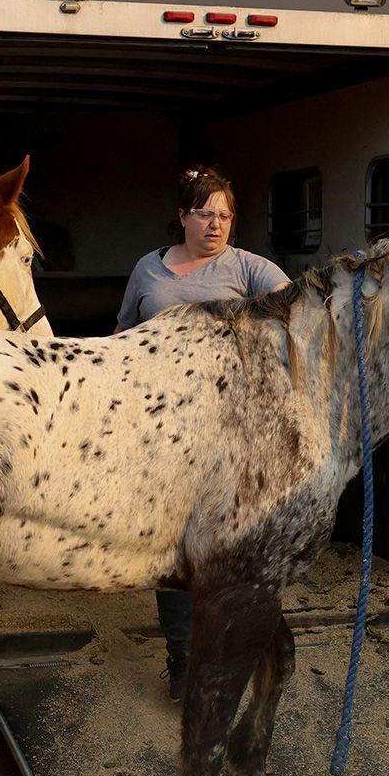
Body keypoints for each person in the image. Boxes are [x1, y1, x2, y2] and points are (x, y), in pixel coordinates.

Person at [114, 165, 288, 700]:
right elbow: (122, 334)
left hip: (228, 430)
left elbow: (299, 308)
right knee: (172, 548)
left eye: (225, 215)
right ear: (182, 217)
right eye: (205, 213)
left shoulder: (249, 268)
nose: (216, 224)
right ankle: (182, 657)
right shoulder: (149, 269)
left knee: (227, 545)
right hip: (159, 428)